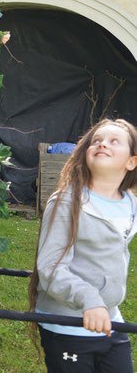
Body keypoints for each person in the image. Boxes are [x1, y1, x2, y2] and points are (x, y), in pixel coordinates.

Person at [28, 119, 137, 373]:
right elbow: (51, 267)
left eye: (113, 141)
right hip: (67, 325)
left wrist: (102, 308)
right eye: (96, 141)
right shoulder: (68, 202)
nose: (102, 144)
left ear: (131, 162)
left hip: (110, 321)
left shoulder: (130, 203)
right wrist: (90, 299)